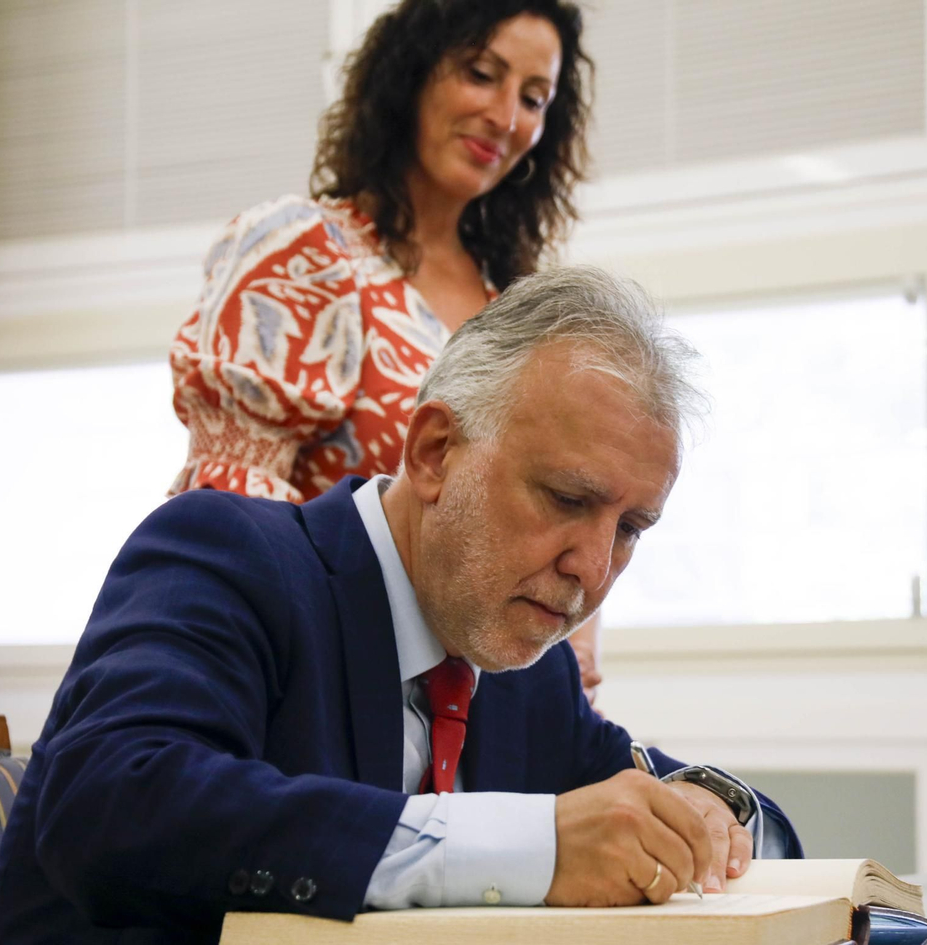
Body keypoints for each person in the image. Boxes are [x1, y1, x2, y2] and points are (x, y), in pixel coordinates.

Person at [0, 267, 801, 945]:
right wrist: (529, 847)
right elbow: (113, 807)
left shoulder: (525, 666)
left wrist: (713, 815)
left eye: (630, 529)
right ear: (434, 452)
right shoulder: (227, 553)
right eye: (569, 500)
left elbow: (671, 804)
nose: (593, 567)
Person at [166, 0, 607, 698]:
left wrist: (564, 653)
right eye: (481, 73)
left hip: (478, 717)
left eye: (532, 98)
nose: (504, 116)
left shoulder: (519, 311)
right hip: (304, 684)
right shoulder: (305, 251)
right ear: (412, 73)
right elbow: (231, 508)